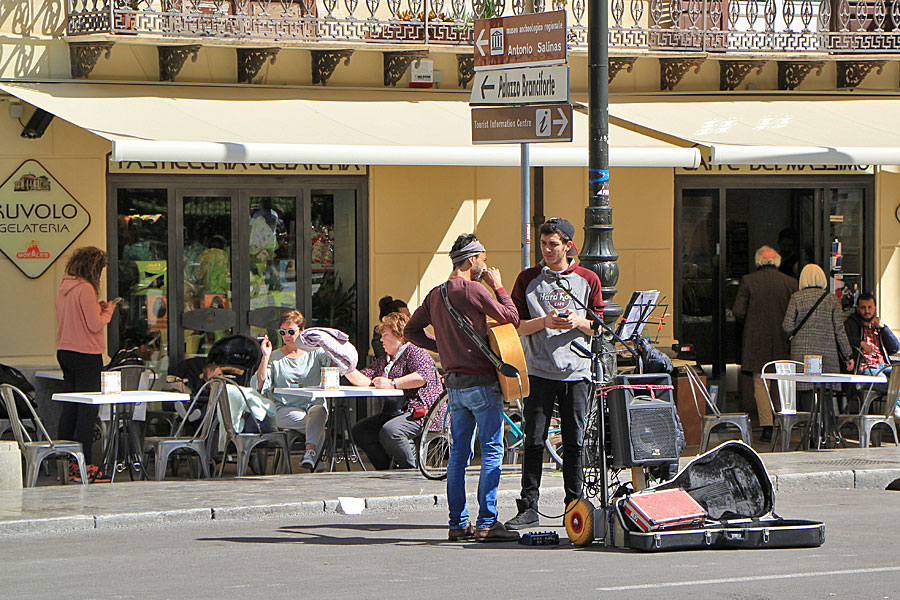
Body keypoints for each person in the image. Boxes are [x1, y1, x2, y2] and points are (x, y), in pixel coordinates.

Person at [404, 233, 520, 542]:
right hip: (482, 382)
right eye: (483, 258)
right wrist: (498, 285)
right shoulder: (474, 289)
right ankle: (487, 522)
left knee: (459, 455)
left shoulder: (435, 294)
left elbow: (411, 330)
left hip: (454, 386)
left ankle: (458, 523)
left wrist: (442, 347)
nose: (485, 264)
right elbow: (512, 318)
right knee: (493, 449)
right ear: (471, 260)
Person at [504, 218, 604, 530]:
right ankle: (529, 505)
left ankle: (573, 505)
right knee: (533, 439)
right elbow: (515, 325)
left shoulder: (587, 279)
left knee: (574, 441)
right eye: (543, 244)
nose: (547, 250)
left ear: (568, 246)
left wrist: (578, 322)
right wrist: (545, 322)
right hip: (539, 371)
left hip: (576, 372)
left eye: (553, 244)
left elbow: (599, 326)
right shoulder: (527, 279)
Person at [346, 311, 443, 470]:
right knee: (361, 431)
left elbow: (422, 376)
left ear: (400, 336)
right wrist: (345, 366)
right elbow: (365, 379)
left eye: (385, 335)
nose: (381, 340)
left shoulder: (415, 351)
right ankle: (386, 469)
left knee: (391, 431)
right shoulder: (386, 359)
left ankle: (413, 470)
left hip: (423, 411)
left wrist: (392, 383)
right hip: (396, 412)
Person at [55, 246, 117, 483]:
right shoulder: (86, 289)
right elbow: (94, 325)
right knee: (87, 411)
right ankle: (84, 465)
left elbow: (78, 318)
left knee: (70, 407)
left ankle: (65, 460)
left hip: (65, 351)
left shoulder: (64, 288)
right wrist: (108, 311)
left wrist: (96, 309)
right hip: (87, 354)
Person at [733, 246, 799, 442]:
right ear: (777, 261)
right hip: (782, 338)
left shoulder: (748, 281)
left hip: (756, 339)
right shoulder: (790, 282)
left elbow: (738, 311)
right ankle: (784, 422)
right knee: (782, 381)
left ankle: (767, 426)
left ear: (758, 260)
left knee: (761, 383)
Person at [254, 309, 331, 472]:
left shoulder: (316, 353)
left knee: (318, 411)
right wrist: (265, 356)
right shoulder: (275, 357)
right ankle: (316, 459)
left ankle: (310, 452)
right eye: (283, 332)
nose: (287, 336)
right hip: (284, 410)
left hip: (312, 407)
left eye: (291, 331)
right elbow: (260, 385)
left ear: (302, 331)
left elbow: (334, 369)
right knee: (317, 426)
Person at [783, 264, 854, 411]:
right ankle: (824, 428)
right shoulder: (831, 299)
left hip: (803, 354)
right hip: (826, 353)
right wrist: (848, 355)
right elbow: (839, 331)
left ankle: (809, 427)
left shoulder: (796, 298)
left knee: (806, 389)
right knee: (825, 389)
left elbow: (787, 326)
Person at [843, 293, 900, 416]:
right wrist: (861, 343)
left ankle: (896, 407)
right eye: (863, 308)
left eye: (870, 307)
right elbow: (843, 339)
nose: (867, 311)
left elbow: (895, 347)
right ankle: (894, 410)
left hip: (883, 366)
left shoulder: (878, 327)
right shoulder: (852, 324)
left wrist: (883, 328)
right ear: (858, 308)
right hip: (865, 368)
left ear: (875, 308)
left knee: (896, 377)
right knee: (884, 381)